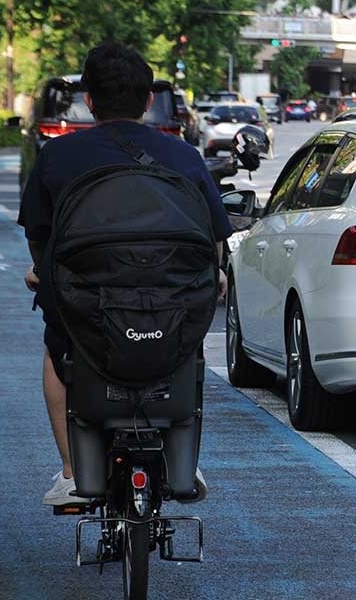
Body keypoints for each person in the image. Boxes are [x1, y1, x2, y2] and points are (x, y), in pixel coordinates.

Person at [18, 42, 233, 506]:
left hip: (87, 301)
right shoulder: (184, 156)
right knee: (187, 349)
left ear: (88, 100)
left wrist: (42, 272)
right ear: (149, 101)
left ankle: (73, 472)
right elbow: (214, 234)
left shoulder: (59, 155)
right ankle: (183, 461)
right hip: (173, 297)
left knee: (58, 352)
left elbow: (38, 233)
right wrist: (216, 273)